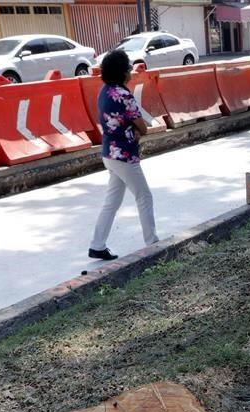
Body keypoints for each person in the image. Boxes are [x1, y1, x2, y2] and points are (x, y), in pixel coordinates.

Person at [88, 49, 158, 261]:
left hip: (109, 154)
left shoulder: (105, 91)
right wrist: (137, 130)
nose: (130, 71)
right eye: (128, 67)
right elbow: (142, 127)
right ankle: (153, 244)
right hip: (125, 156)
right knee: (144, 196)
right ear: (121, 72)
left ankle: (97, 245)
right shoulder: (124, 95)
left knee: (112, 201)